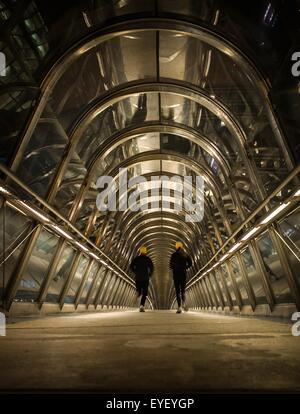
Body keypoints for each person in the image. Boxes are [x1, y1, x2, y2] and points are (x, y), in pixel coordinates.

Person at [170, 241, 192, 313]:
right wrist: (185, 267)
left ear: (176, 247)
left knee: (177, 291)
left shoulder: (173, 255)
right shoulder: (185, 254)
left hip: (176, 275)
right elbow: (190, 263)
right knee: (183, 291)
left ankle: (179, 307)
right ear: (182, 246)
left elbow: (170, 265)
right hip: (183, 274)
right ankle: (184, 304)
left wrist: (175, 267)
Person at [130, 246, 154, 312]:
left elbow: (131, 266)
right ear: (145, 252)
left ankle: (137, 293)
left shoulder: (136, 259)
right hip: (145, 277)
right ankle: (141, 306)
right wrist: (150, 274)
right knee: (145, 292)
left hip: (138, 277)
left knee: (139, 291)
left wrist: (136, 272)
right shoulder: (148, 259)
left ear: (140, 252)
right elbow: (152, 267)